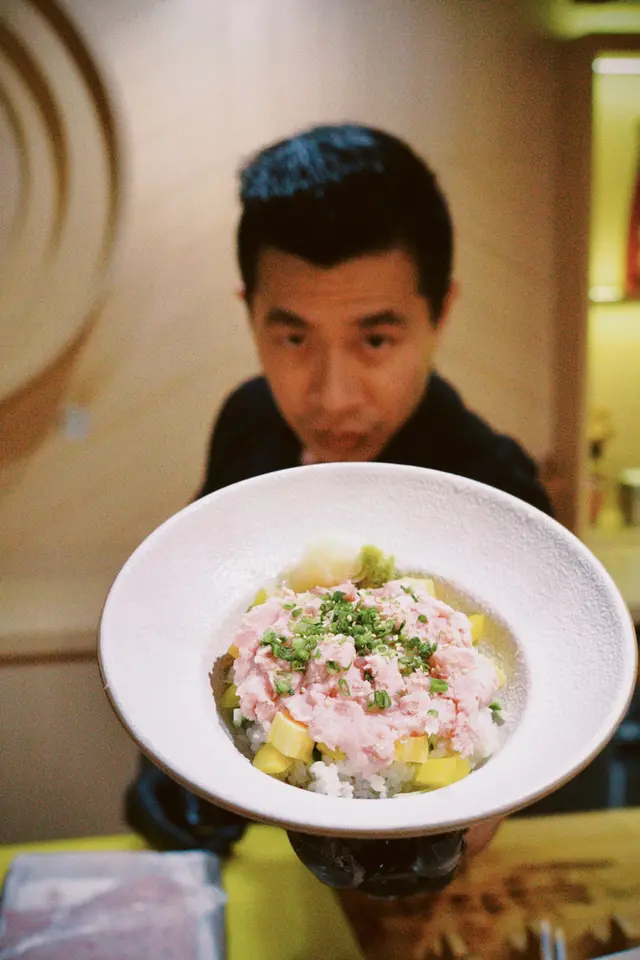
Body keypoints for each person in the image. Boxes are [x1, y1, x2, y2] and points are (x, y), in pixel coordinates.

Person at [125, 123, 553, 864]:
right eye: (292, 338)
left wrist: (448, 833)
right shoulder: (247, 421)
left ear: (440, 312)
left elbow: (519, 739)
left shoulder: (497, 488)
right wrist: (171, 760)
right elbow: (199, 598)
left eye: (375, 340)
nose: (331, 395)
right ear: (250, 311)